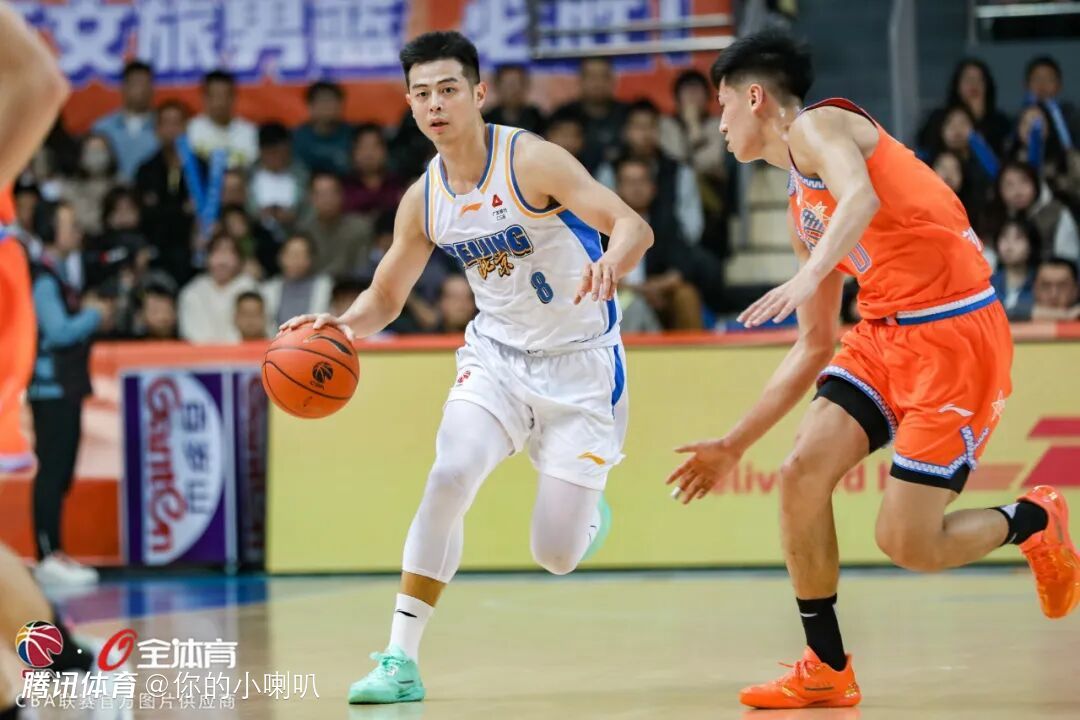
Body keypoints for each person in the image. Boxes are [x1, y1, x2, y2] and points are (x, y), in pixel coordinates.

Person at [666, 30, 1079, 710]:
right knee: (800, 474)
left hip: (954, 334)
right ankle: (826, 666)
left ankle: (1032, 519)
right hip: (883, 335)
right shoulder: (801, 210)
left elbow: (860, 199)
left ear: (755, 96)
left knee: (907, 543)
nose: (719, 124)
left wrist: (808, 276)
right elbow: (814, 345)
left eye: (722, 106)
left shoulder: (819, 125)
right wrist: (734, 444)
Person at [280, 30, 652, 705]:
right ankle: (400, 658)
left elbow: (633, 225)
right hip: (496, 361)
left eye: (448, 89)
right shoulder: (423, 199)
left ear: (478, 93)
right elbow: (386, 294)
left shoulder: (530, 160)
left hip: (581, 368)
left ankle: (587, 513)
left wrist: (611, 261)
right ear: (409, 105)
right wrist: (343, 325)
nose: (435, 104)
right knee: (448, 475)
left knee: (556, 555)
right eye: (421, 93)